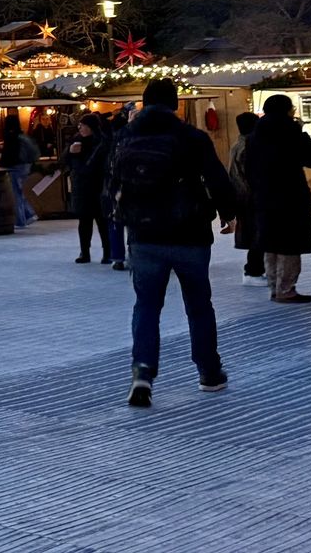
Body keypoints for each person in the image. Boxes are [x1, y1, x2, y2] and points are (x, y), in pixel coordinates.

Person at [107, 79, 238, 407]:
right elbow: (217, 176)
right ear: (175, 104)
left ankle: (143, 372)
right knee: (199, 304)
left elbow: (108, 178)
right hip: (189, 232)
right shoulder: (192, 137)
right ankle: (209, 372)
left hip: (143, 234)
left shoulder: (125, 136)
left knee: (147, 306)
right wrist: (228, 214)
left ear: (144, 103)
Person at [244, 94, 311, 304]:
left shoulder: (254, 136)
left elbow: (248, 168)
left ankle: (274, 286)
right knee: (290, 243)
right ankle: (286, 288)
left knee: (271, 243)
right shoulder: (291, 131)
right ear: (287, 110)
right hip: (291, 196)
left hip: (264, 197)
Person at [65, 113, 113, 263]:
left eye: (84, 125)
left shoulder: (102, 142)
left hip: (98, 186)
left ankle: (107, 252)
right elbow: (66, 161)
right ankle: (84, 252)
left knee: (102, 222)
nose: (81, 128)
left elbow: (104, 163)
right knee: (84, 222)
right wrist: (70, 153)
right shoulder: (76, 140)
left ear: (92, 127)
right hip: (82, 187)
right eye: (80, 125)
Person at [228, 113, 267, 286]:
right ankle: (253, 271)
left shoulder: (238, 145)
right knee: (257, 234)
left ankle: (255, 269)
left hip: (242, 197)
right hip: (252, 197)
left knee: (255, 234)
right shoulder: (249, 147)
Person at [0, 113, 40, 229]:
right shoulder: (22, 136)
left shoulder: (11, 136)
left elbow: (8, 155)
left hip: (15, 167)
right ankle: (29, 215)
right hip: (24, 167)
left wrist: (0, 165)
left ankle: (21, 220)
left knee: (16, 194)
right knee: (20, 192)